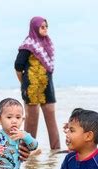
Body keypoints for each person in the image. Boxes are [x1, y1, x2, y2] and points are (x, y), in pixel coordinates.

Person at [15, 16, 60, 150]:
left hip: (47, 87)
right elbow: (18, 66)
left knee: (51, 119)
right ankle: (27, 151)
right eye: (42, 27)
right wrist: (24, 83)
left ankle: (56, 152)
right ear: (35, 28)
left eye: (46, 26)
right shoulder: (27, 45)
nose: (45, 29)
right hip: (31, 87)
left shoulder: (48, 44)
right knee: (32, 121)